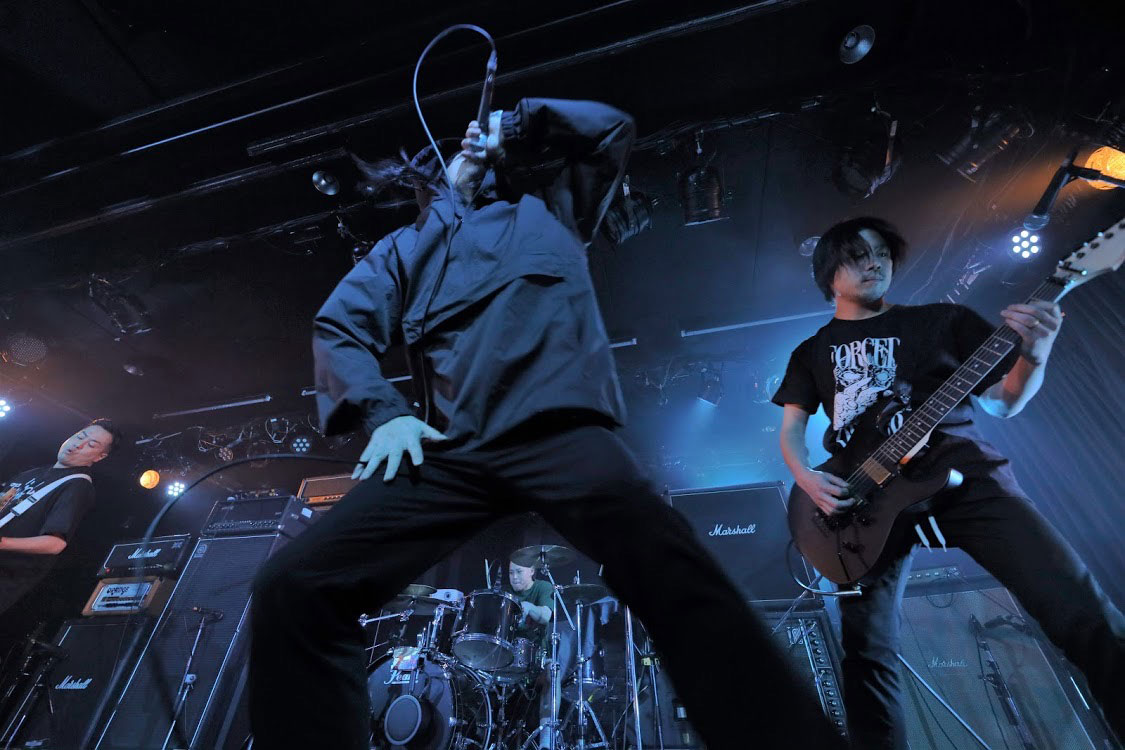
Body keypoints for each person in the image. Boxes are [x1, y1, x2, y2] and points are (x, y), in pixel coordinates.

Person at [248, 98, 845, 750]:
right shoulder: (402, 250)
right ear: (424, 181)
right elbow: (339, 327)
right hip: (453, 446)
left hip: (556, 433)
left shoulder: (547, 214)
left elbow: (611, 131)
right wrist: (384, 415)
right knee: (293, 585)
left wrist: (513, 123)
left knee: (670, 564)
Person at [772, 216, 1125, 748]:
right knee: (867, 654)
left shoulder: (943, 319)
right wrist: (807, 478)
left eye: (881, 253)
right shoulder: (811, 351)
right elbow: (792, 431)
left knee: (1080, 608)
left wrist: (1034, 353)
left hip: (963, 474)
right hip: (862, 503)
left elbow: (1002, 403)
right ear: (828, 273)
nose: (874, 264)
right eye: (857, 256)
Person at [0, 419, 121, 617]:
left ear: (100, 457)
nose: (78, 444)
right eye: (80, 436)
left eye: (91, 445)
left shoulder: (78, 486)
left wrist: (2, 542)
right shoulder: (32, 473)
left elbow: (55, 543)